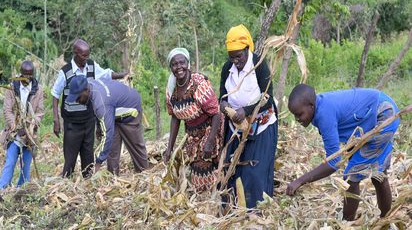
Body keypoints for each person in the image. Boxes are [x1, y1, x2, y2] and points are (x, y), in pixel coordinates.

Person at [286, 84, 400, 221]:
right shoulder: (319, 106)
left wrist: (300, 181)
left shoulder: (324, 114)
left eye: (299, 114)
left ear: (311, 106)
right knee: (378, 174)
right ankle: (385, 221)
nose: (297, 119)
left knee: (350, 178)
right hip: (377, 112)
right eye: (294, 116)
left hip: (382, 115)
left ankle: (347, 223)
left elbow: (334, 162)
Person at [219, 25, 278, 208]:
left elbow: (267, 98)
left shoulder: (259, 65)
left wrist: (246, 110)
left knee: (255, 171)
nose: (236, 61)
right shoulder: (227, 67)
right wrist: (224, 105)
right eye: (232, 56)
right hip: (236, 128)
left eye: (240, 56)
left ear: (247, 49)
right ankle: (234, 208)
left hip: (260, 127)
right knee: (233, 170)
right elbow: (222, 95)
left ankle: (258, 211)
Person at [51, 39, 128, 178]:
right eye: (83, 56)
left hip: (88, 120)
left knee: (88, 156)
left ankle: (87, 184)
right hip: (72, 123)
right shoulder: (66, 72)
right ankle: (66, 182)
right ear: (76, 53)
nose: (86, 59)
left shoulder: (91, 66)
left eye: (87, 55)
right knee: (70, 158)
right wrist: (56, 120)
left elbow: (106, 74)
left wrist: (122, 75)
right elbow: (55, 95)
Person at [163, 48, 224, 191]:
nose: (179, 67)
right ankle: (205, 202)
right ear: (170, 67)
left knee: (212, 171)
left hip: (211, 130)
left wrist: (210, 141)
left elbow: (216, 113)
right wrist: (169, 148)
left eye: (181, 63)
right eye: (174, 64)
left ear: (188, 63)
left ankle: (216, 203)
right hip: (193, 136)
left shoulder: (198, 83)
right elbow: (175, 118)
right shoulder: (172, 89)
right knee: (198, 175)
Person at [66, 76, 148, 175]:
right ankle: (113, 179)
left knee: (136, 148)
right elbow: (100, 113)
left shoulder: (101, 102)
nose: (77, 101)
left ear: (86, 90)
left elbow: (107, 133)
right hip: (113, 111)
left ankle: (145, 174)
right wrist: (99, 127)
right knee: (112, 150)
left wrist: (98, 162)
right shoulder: (92, 85)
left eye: (78, 97)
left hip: (130, 109)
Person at [0, 61, 44, 189]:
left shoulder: (38, 89)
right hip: (14, 133)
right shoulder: (12, 88)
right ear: (20, 73)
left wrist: (31, 125)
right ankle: (2, 189)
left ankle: (22, 190)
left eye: (30, 75)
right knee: (10, 162)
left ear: (33, 74)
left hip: (30, 134)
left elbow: (40, 112)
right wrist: (14, 125)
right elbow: (7, 110)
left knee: (26, 165)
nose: (27, 79)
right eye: (24, 75)